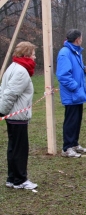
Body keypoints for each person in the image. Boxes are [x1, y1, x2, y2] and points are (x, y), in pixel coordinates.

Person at [0, 42, 38, 189]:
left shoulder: (14, 67)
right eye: (33, 54)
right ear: (27, 55)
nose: (35, 57)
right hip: (17, 116)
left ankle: (12, 178)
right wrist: (2, 111)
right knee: (19, 149)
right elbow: (10, 94)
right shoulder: (21, 71)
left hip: (14, 115)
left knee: (13, 147)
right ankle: (20, 180)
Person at [56, 29, 86, 158]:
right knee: (70, 121)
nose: (82, 39)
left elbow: (76, 71)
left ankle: (74, 143)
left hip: (78, 94)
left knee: (77, 120)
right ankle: (67, 148)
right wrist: (76, 88)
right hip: (71, 94)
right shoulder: (65, 53)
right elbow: (63, 75)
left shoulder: (76, 52)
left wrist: (85, 70)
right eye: (81, 37)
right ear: (77, 39)